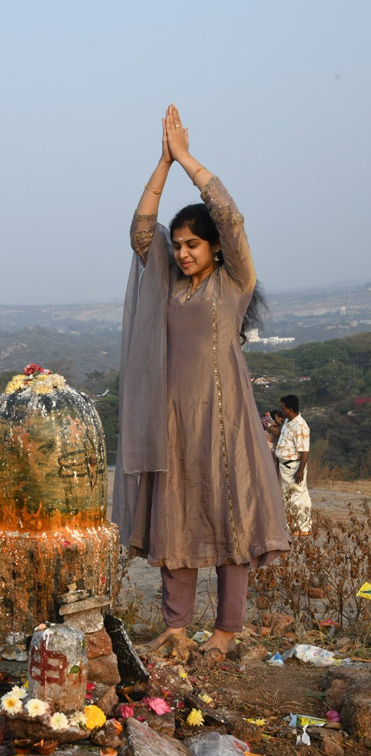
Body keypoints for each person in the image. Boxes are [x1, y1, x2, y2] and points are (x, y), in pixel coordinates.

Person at [113, 105, 290, 657]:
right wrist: (160, 164)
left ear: (213, 246)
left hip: (224, 419)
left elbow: (231, 217)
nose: (184, 252)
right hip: (172, 421)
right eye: (181, 244)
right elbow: (142, 231)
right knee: (176, 525)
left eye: (194, 244)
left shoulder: (234, 282)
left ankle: (227, 629)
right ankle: (175, 624)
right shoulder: (167, 282)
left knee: (231, 522)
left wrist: (187, 158)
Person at [275, 394, 312, 535]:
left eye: (283, 408)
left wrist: (300, 471)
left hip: (294, 466)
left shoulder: (301, 426)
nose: (281, 411)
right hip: (285, 466)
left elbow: (304, 452)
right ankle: (291, 525)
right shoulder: (288, 422)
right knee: (287, 496)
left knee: (298, 495)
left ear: (289, 409)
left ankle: (303, 527)